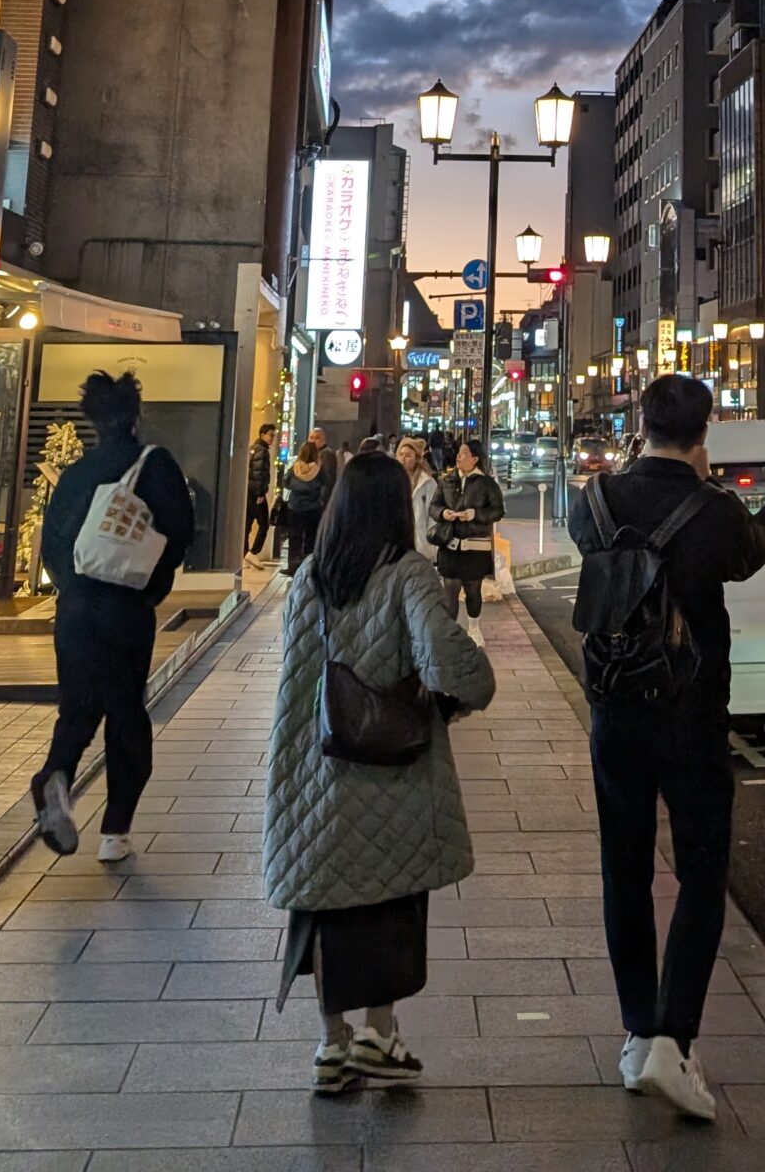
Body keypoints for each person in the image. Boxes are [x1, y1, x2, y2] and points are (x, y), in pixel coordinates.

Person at [568, 372, 765, 1122]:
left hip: (614, 711)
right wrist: (708, 485)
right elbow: (753, 554)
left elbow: (590, 543)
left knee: (623, 869)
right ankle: (673, 1039)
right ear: (702, 433)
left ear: (642, 426)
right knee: (702, 872)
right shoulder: (715, 511)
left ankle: (636, 1033)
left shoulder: (593, 501)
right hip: (691, 713)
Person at [263, 452, 494, 1092]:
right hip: (390, 762)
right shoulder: (407, 574)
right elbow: (442, 654)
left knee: (324, 904)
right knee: (392, 896)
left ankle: (331, 1045)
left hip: (315, 763)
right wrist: (475, 685)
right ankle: (379, 1032)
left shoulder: (310, 576)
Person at [31, 370, 194, 865]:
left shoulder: (77, 473)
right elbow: (180, 533)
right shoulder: (156, 464)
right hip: (126, 608)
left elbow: (52, 546)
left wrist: (72, 588)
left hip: (75, 608)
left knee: (77, 707)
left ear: (92, 419)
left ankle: (56, 774)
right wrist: (150, 584)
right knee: (125, 712)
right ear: (136, 415)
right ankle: (115, 832)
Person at [427, 438, 504, 640]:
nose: (458, 457)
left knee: (473, 589)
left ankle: (474, 628)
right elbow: (434, 507)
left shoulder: (487, 483)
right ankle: (450, 632)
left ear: (475, 459)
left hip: (475, 546)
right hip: (450, 544)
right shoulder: (447, 481)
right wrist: (443, 513)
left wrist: (475, 514)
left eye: (464, 453)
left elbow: (497, 511)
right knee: (450, 588)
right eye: (459, 453)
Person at [279, 437, 330, 574]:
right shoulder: (319, 469)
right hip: (313, 507)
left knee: (294, 537)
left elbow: (285, 482)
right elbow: (325, 484)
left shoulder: (295, 468)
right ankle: (308, 567)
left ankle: (292, 566)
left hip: (295, 507)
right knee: (311, 538)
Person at [395, 435, 436, 552]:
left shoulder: (427, 483)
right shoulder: (391, 481)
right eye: (400, 454)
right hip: (397, 544)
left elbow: (433, 516)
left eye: (408, 455)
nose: (403, 459)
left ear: (417, 458)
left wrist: (432, 543)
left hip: (421, 545)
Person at [245, 427, 278, 557]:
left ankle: (245, 553)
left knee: (247, 524)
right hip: (256, 493)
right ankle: (253, 553)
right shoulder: (262, 451)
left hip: (249, 491)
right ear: (263, 435)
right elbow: (258, 473)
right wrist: (260, 493)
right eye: (271, 435)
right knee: (264, 524)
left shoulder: (252, 448)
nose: (272, 438)